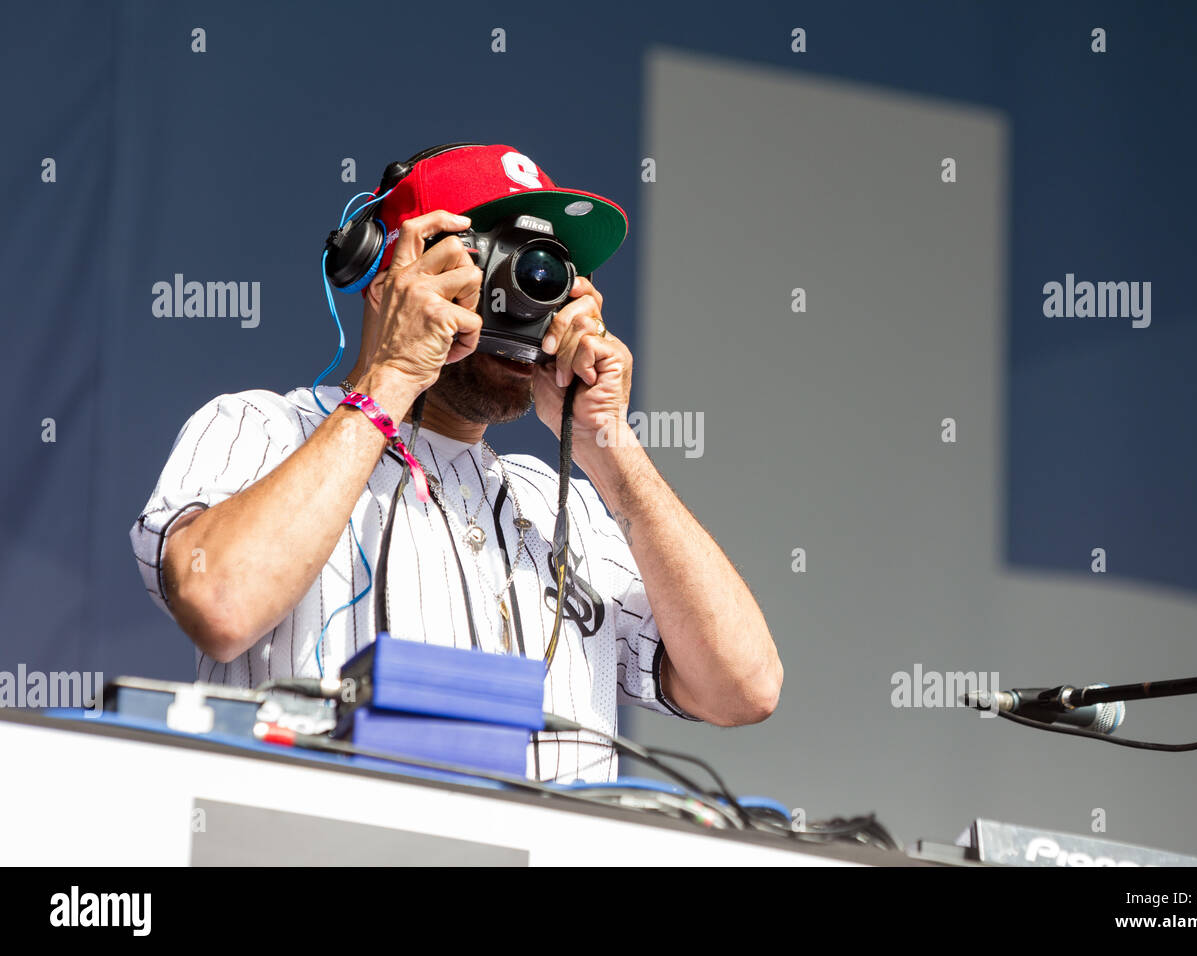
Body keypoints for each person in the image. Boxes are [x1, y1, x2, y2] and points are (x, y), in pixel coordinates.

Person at [129, 143, 782, 782]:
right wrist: (394, 374)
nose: (523, 298)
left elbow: (743, 687)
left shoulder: (567, 506)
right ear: (386, 273)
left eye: (545, 273)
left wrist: (607, 446)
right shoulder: (263, 427)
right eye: (488, 261)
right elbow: (220, 605)